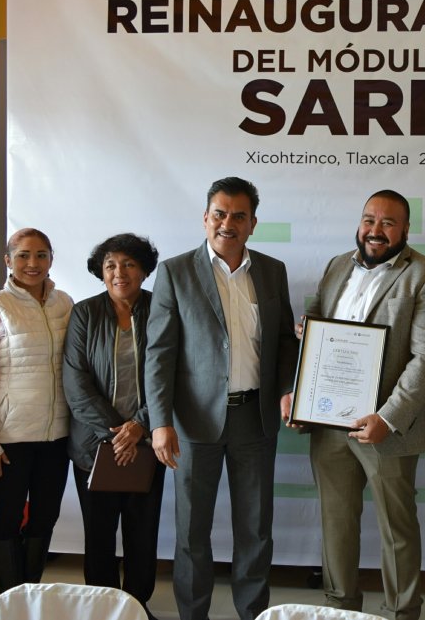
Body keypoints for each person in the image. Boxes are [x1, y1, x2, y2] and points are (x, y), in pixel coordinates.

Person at [288, 189, 425, 620]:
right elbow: (315, 334)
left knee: (396, 528)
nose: (375, 230)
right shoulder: (336, 266)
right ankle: (339, 608)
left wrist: (388, 417)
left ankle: (401, 613)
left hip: (385, 427)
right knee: (336, 522)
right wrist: (301, 390)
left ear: (405, 229)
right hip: (328, 422)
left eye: (388, 222)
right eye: (369, 220)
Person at [145, 177, 298, 620]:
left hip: (256, 419)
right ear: (205, 218)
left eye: (238, 216)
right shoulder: (175, 271)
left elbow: (284, 342)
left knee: (255, 529)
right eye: (219, 213)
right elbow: (159, 354)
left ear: (253, 224)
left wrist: (287, 389)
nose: (227, 223)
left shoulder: (272, 271)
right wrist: (160, 422)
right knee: (192, 532)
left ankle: (253, 613)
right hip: (194, 423)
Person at [0, 228, 74, 591]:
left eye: (41, 255)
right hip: (8, 439)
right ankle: (11, 599)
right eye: (24, 255)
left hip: (57, 435)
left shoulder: (65, 303)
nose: (33, 263)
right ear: (9, 261)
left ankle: (30, 593)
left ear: (51, 260)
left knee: (45, 518)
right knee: (7, 519)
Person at [63, 233, 163, 618]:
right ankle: (102, 610)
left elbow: (173, 375)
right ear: (101, 272)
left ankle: (136, 608)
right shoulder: (84, 313)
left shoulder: (162, 310)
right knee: (99, 536)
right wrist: (118, 433)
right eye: (110, 265)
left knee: (142, 534)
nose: (119, 273)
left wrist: (140, 426)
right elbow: (76, 383)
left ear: (144, 270)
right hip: (94, 447)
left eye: (129, 264)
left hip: (147, 443)